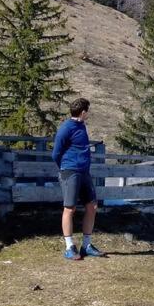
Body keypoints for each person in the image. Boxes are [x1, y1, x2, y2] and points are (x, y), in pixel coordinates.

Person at [52, 98, 104, 260]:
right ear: (83, 112)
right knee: (70, 208)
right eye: (88, 111)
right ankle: (69, 247)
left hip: (84, 172)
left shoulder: (81, 125)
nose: (88, 113)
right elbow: (56, 153)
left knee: (92, 206)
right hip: (70, 171)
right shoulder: (66, 128)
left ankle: (86, 245)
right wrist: (65, 168)